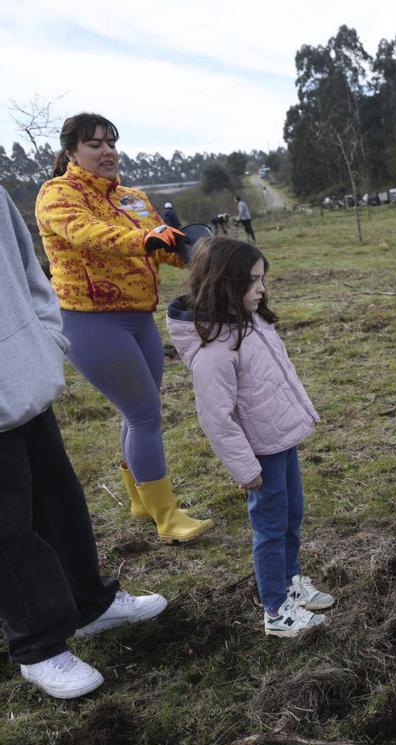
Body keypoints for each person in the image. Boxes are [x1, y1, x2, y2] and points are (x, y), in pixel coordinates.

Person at [1, 184, 167, 699]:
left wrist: (44, 338)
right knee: (9, 530)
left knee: (62, 501)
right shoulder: (59, 194)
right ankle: (39, 646)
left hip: (25, 379)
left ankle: (88, 604)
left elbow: (30, 270)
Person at [35, 113, 213, 544]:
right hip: (90, 322)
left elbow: (163, 243)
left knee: (137, 412)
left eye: (111, 142)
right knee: (145, 414)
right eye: (94, 144)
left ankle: (140, 499)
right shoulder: (57, 195)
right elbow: (88, 235)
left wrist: (202, 253)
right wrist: (144, 241)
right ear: (72, 152)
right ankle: (167, 518)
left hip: (139, 318)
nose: (107, 151)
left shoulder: (132, 197)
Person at [166, 237, 332, 637]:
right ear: (225, 283)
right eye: (253, 281)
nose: (262, 289)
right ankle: (276, 610)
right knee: (271, 529)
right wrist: (245, 469)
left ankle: (291, 584)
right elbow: (215, 418)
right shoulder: (214, 352)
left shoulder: (250, 322)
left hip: (280, 441)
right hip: (261, 455)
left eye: (263, 279)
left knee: (292, 516)